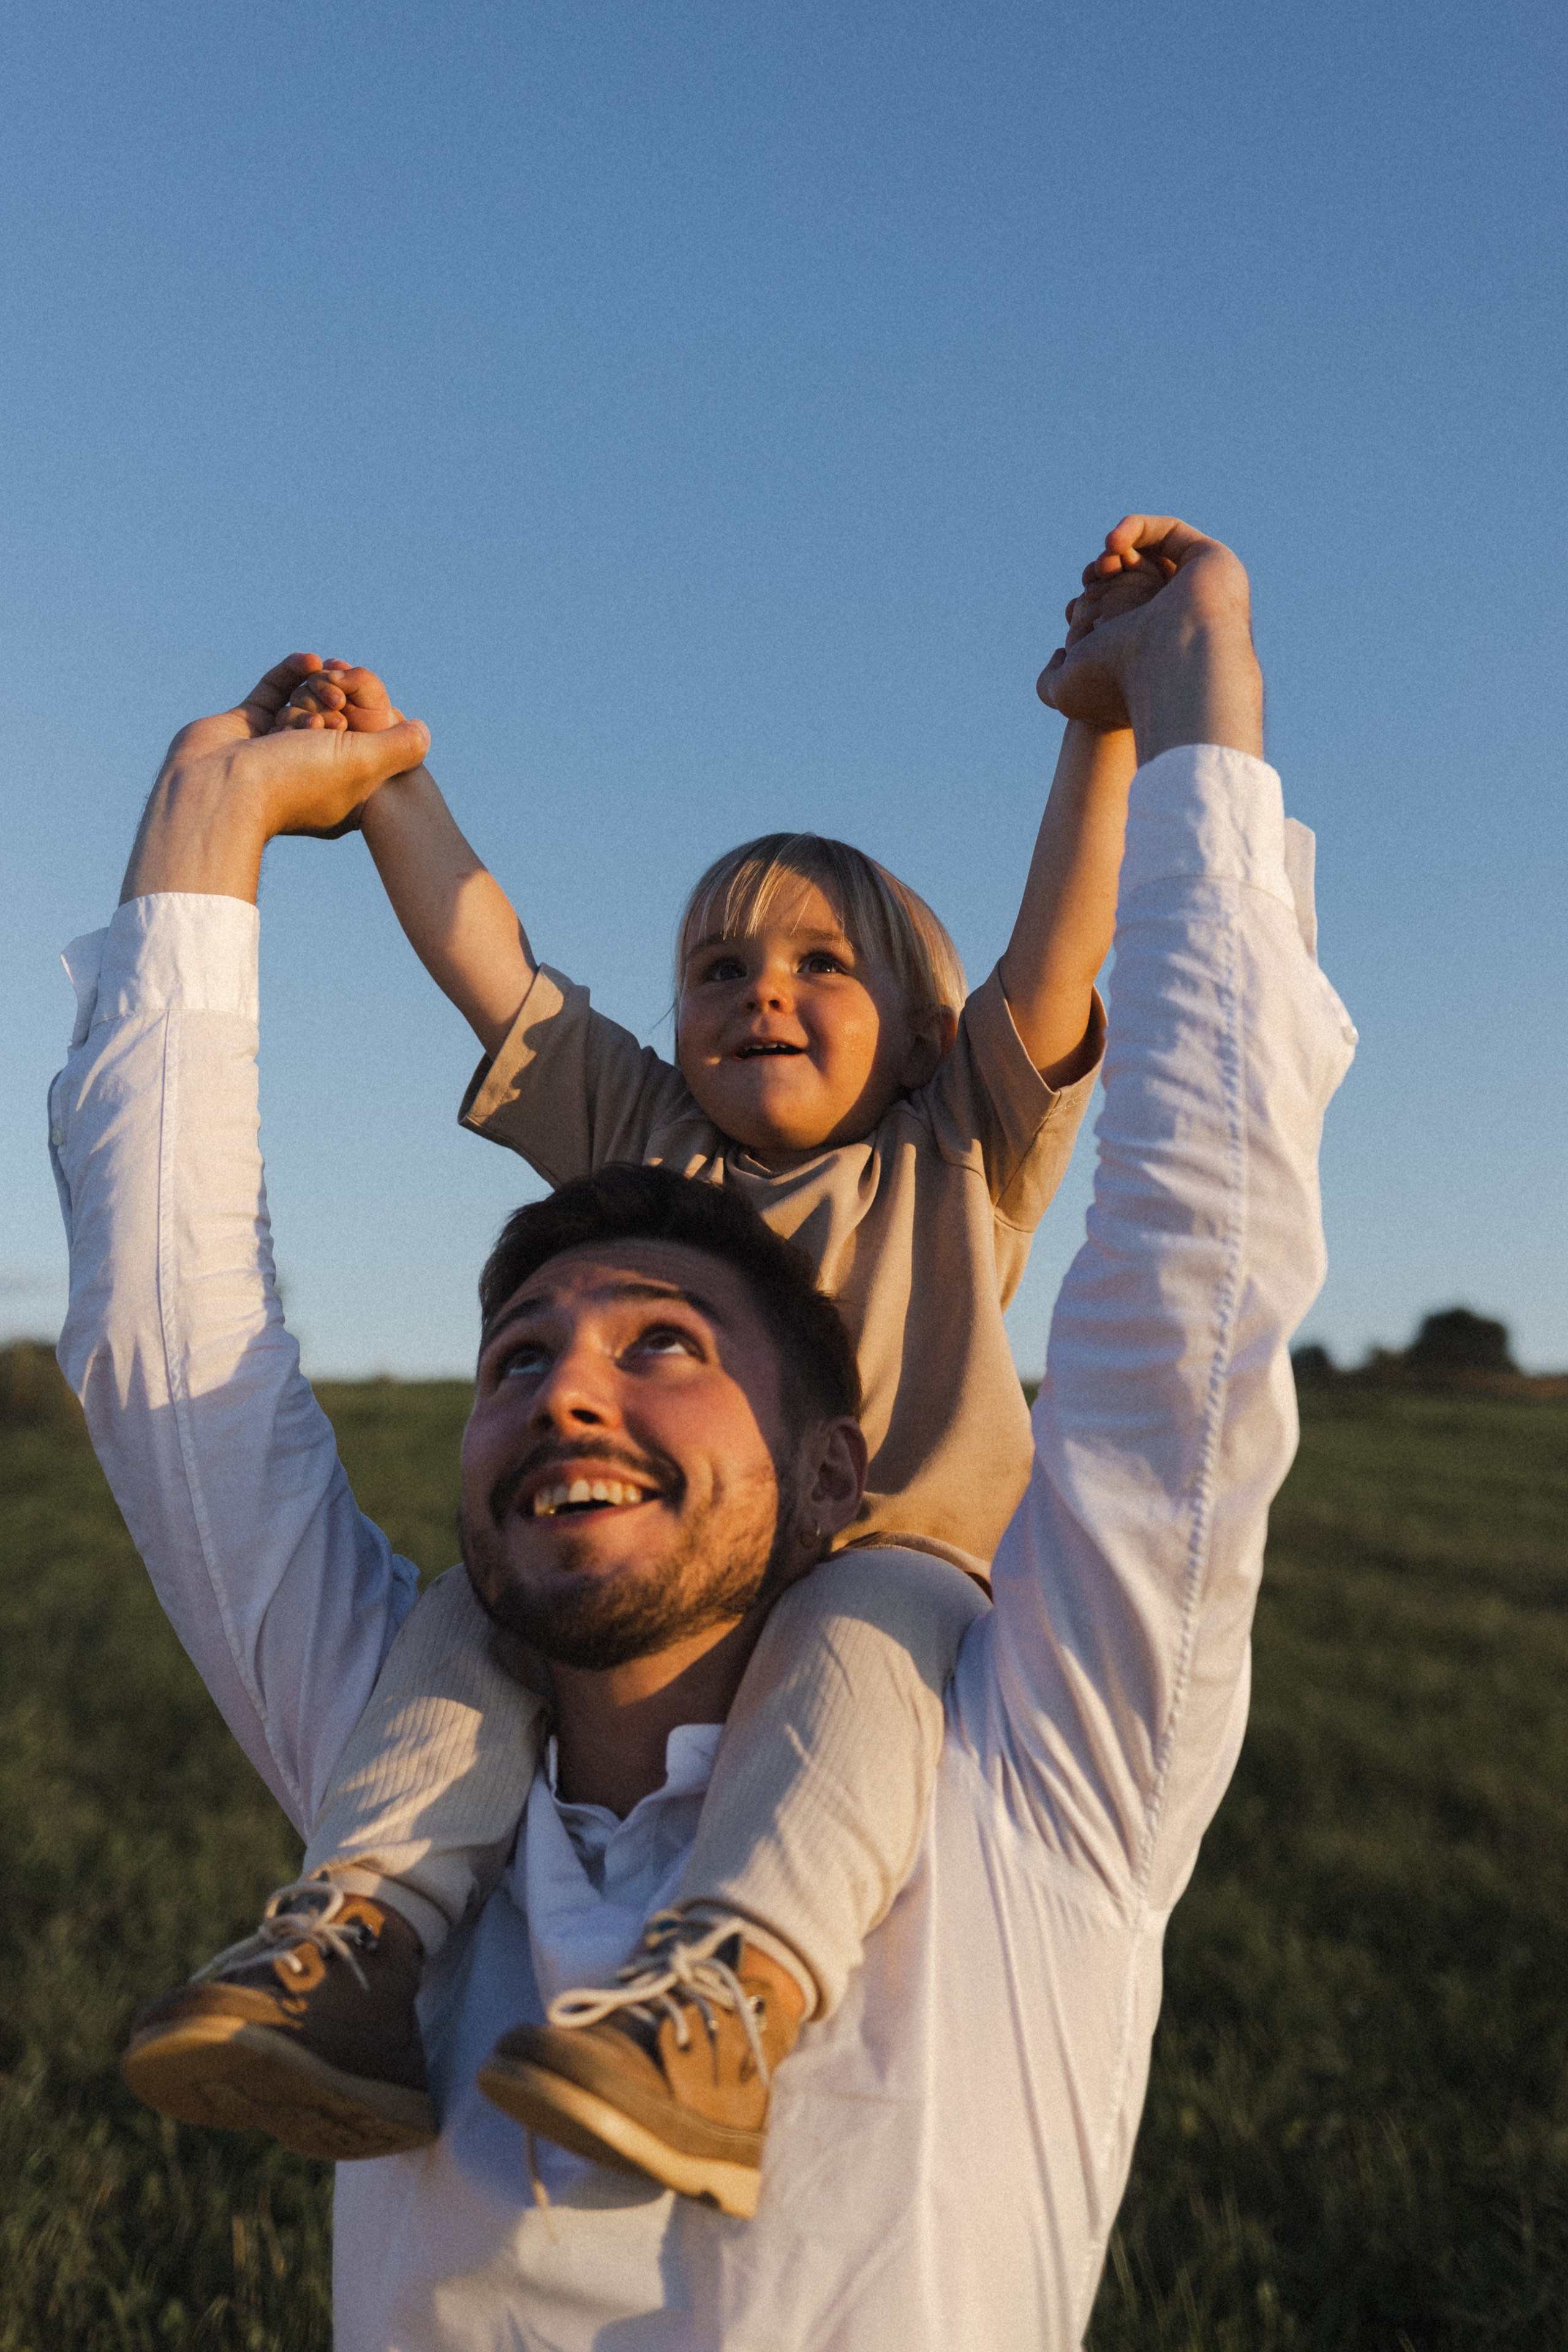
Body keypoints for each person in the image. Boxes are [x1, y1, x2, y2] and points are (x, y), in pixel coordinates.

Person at [50, 516, 1354, 2350]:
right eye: (723, 967)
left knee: (863, 1615)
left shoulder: (950, 1159)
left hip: (901, 1581)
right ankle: (357, 1939)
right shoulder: (649, 1154)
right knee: (464, 1630)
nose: (764, 994)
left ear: (914, 1023)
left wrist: (1134, 714)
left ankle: (730, 1989)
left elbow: (1134, 1083)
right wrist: (347, 793)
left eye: (826, 970)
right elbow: (478, 987)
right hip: (566, 1685)